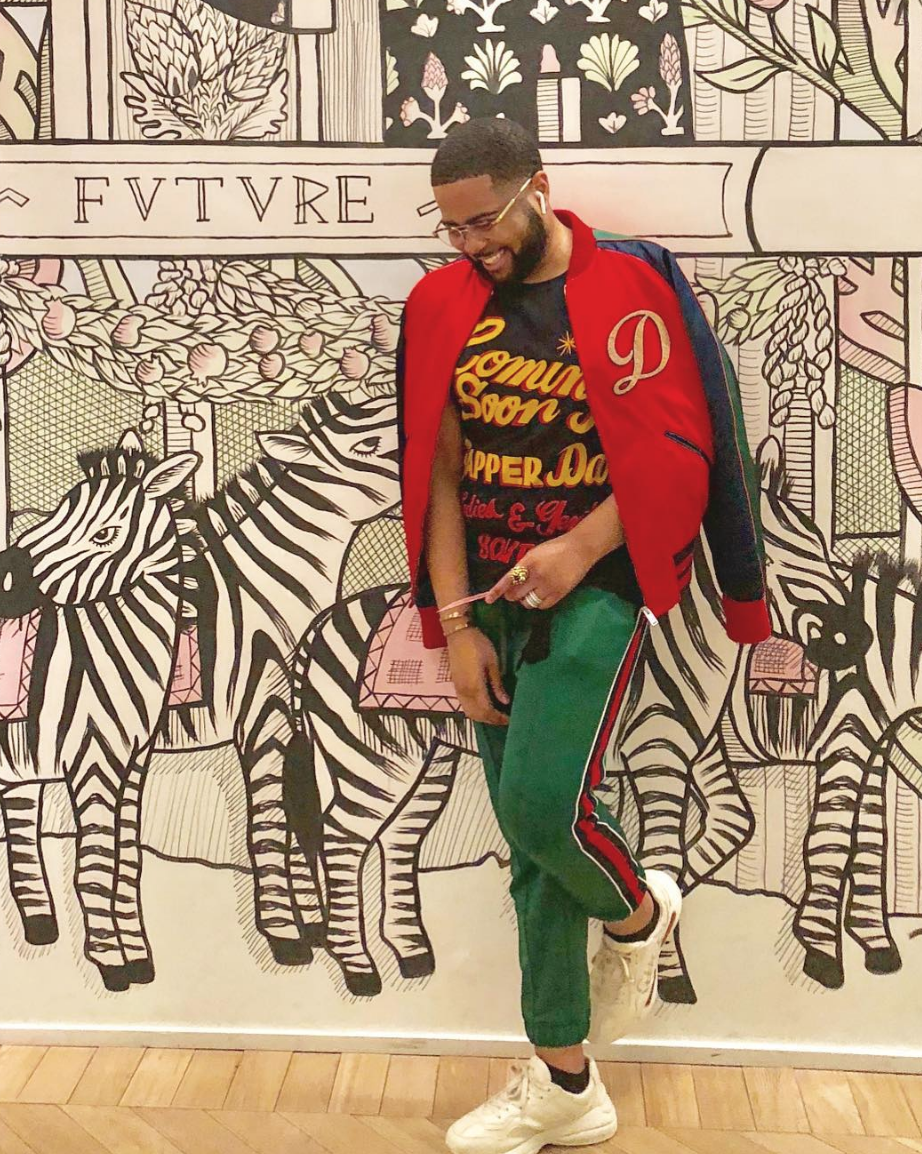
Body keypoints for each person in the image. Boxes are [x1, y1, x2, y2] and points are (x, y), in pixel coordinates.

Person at [397, 118, 771, 1154]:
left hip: (599, 588)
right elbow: (432, 470)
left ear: (539, 188)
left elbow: (689, 447)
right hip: (487, 597)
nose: (470, 244)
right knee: (530, 850)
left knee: (540, 810)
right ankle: (565, 1081)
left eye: (484, 221)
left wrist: (581, 548)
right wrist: (454, 625)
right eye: (450, 227)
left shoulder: (635, 284)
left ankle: (639, 913)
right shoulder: (438, 305)